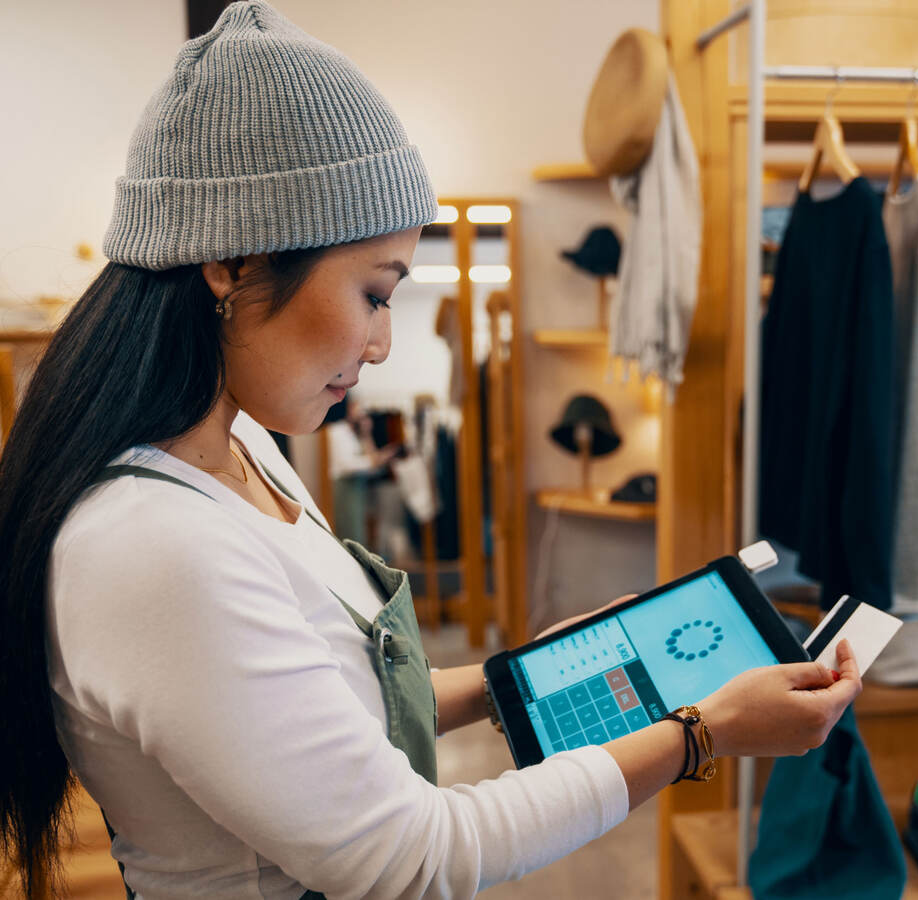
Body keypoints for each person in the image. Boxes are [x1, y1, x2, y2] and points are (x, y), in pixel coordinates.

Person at [0, 4, 862, 898]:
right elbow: (413, 855)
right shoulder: (150, 547)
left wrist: (504, 683)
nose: (380, 346)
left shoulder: (249, 447)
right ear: (232, 263)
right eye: (376, 294)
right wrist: (701, 731)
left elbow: (325, 709)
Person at [325, 397, 399, 547]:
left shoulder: (355, 432)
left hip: (357, 485)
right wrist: (374, 460)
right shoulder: (338, 430)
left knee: (358, 532)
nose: (361, 414)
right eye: (358, 410)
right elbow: (347, 464)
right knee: (350, 532)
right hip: (345, 484)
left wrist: (366, 433)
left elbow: (371, 459)